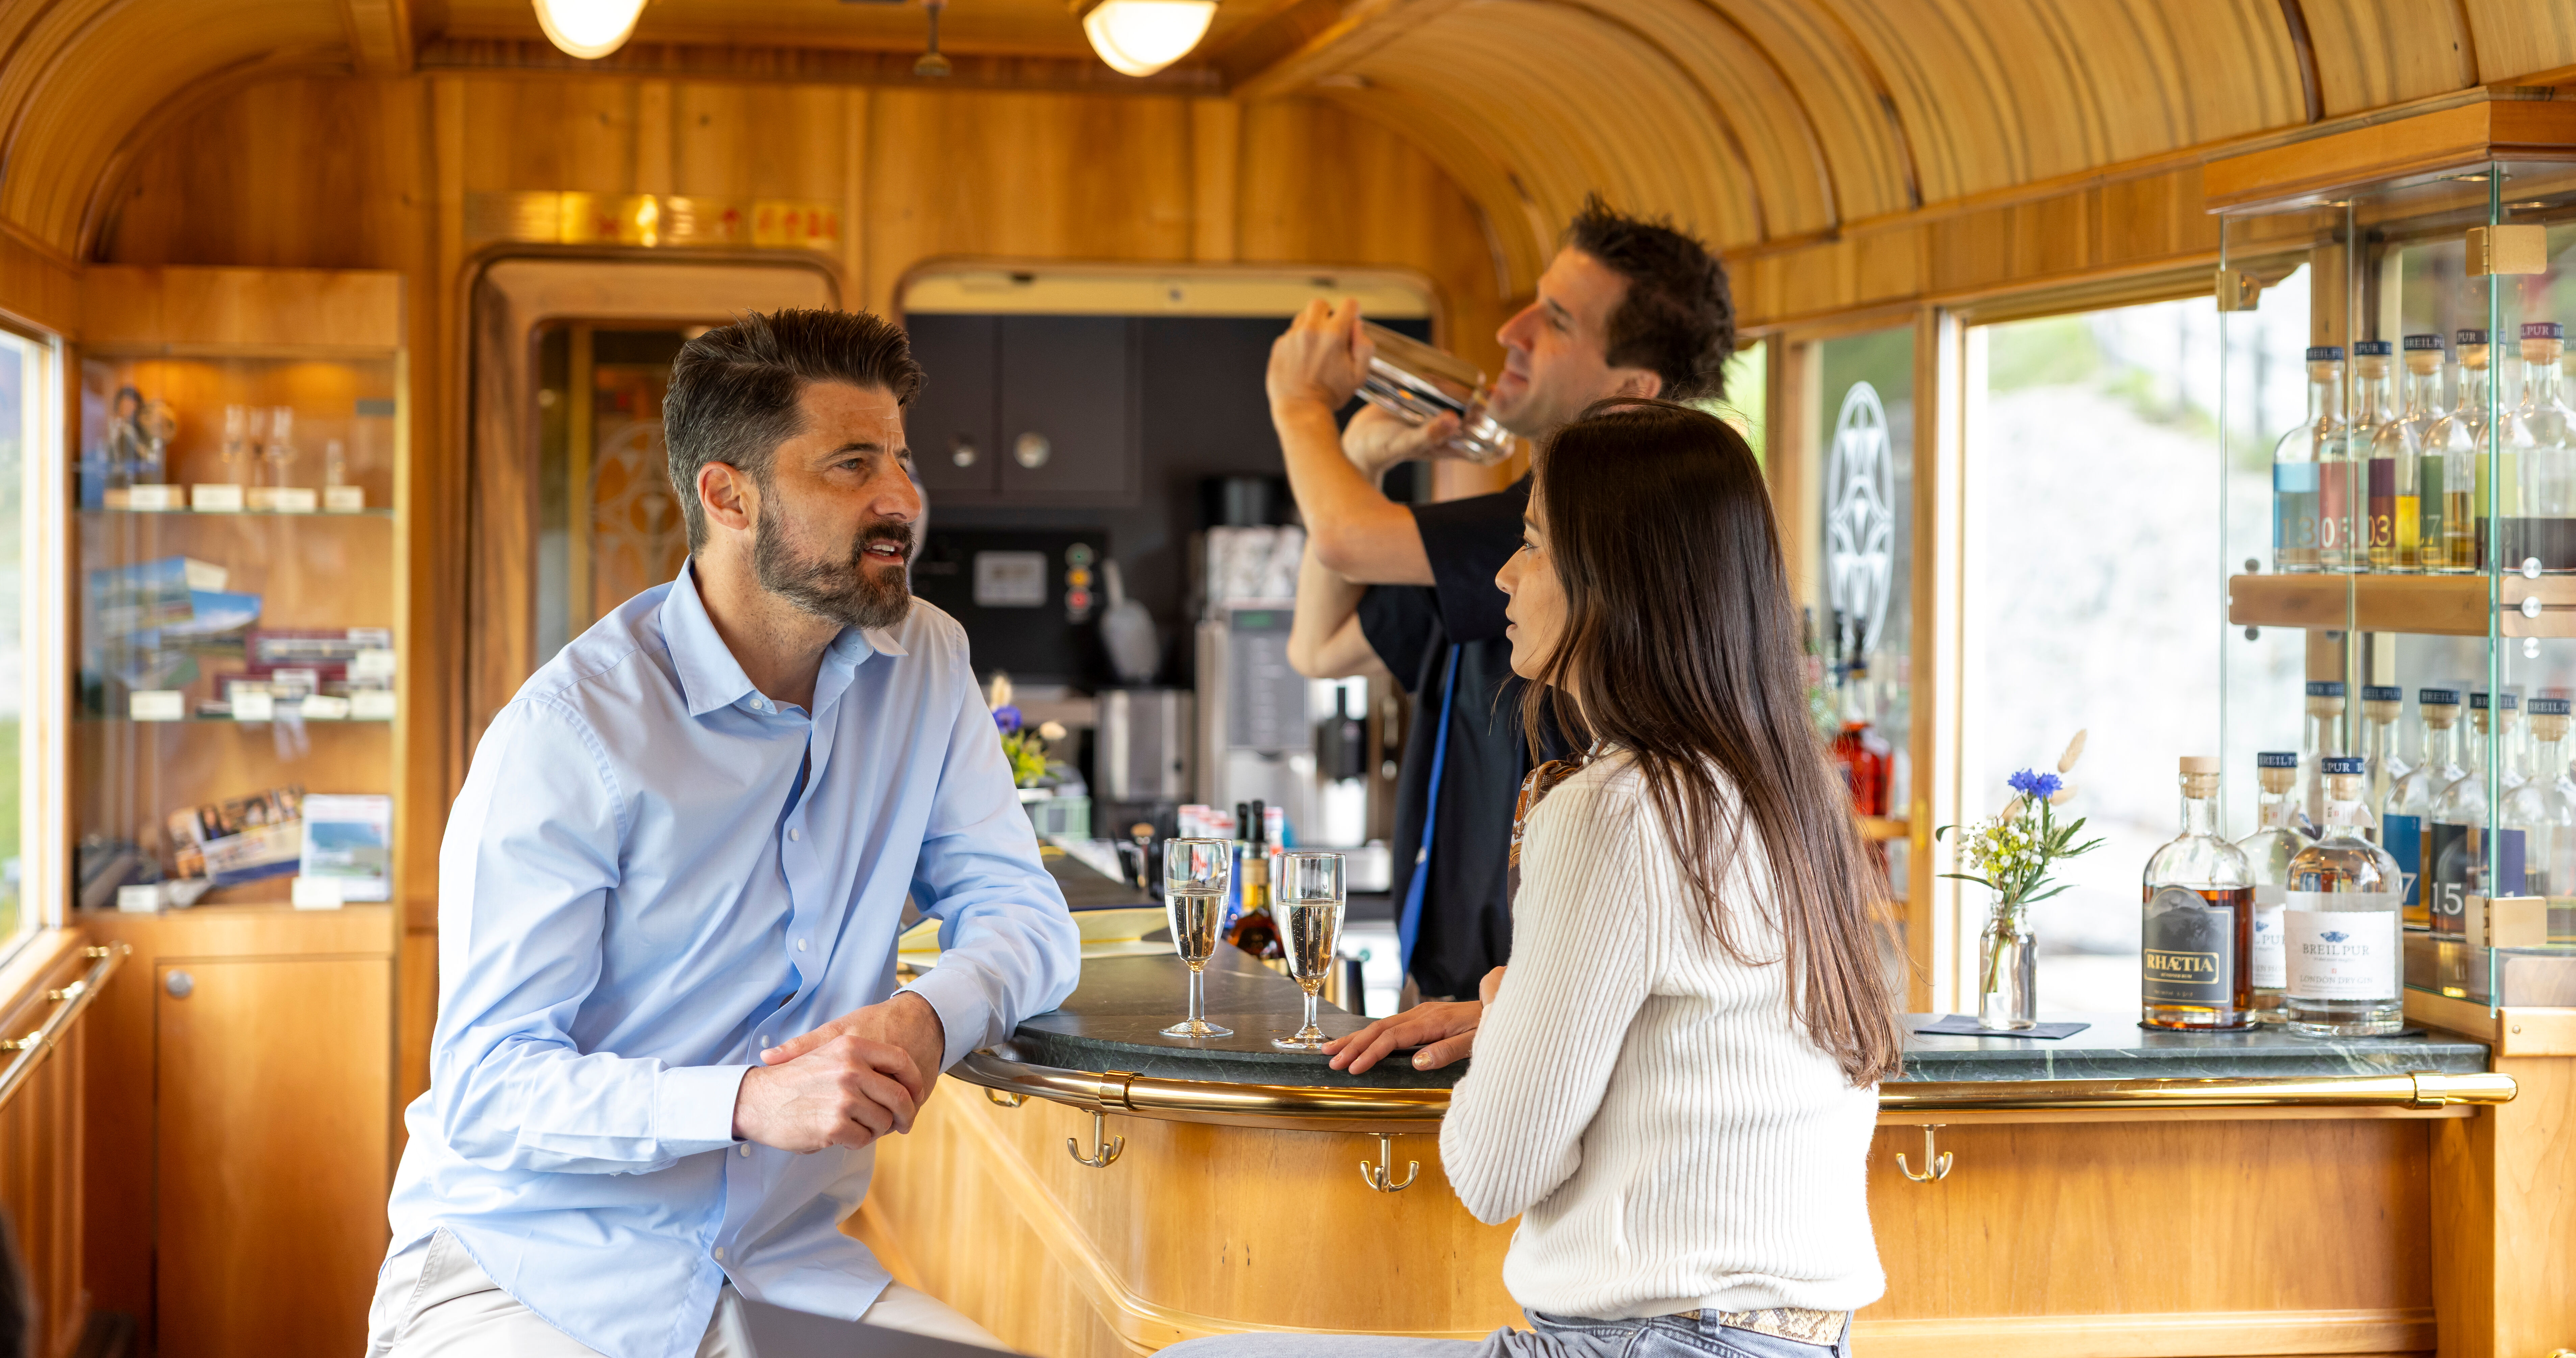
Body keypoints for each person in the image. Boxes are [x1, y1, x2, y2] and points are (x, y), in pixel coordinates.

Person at [370, 309, 1081, 1358]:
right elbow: (488, 1083)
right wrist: (747, 1100)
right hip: (523, 1274)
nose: (902, 499)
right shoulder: (569, 731)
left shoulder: (927, 659)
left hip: (783, 1272)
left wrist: (930, 1016)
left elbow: (1025, 911)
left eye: (900, 458)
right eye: (852, 463)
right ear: (728, 494)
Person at [1175, 401, 1901, 1358]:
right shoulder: (1792, 792)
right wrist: (1525, 1012)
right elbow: (1697, 1041)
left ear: (1619, 583)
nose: (1505, 577)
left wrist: (1512, 1001)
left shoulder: (1617, 808)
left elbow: (1491, 1170)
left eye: (1530, 544)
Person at [1269, 199, 1736, 1019]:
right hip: (1452, 985)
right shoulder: (1516, 522)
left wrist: (1301, 407)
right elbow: (1320, 646)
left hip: (1532, 999)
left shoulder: (1606, 533)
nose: (1509, 332)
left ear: (1630, 389)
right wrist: (1353, 459)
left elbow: (1344, 538)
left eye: (1554, 320)